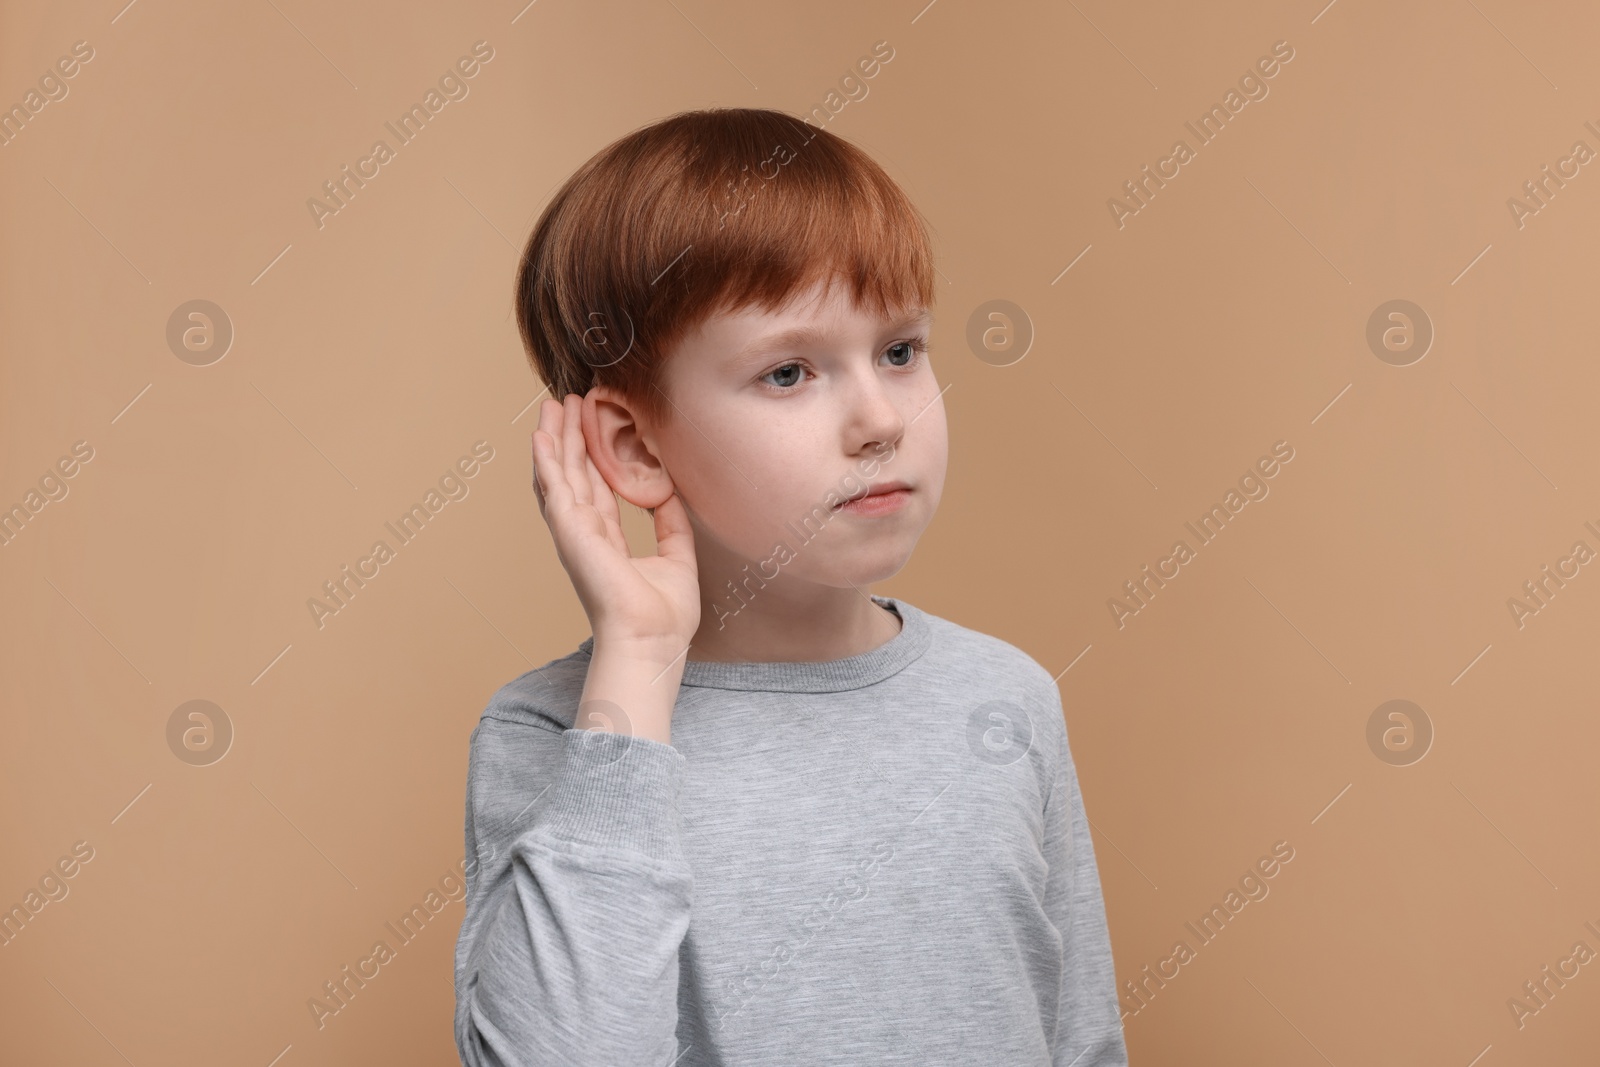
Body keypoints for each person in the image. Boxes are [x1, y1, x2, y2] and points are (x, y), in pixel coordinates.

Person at [451, 106, 1128, 1066]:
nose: (880, 418)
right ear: (638, 445)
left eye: (901, 350)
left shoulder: (1007, 697)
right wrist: (637, 665)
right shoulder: (558, 736)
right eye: (789, 372)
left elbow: (1081, 1038)